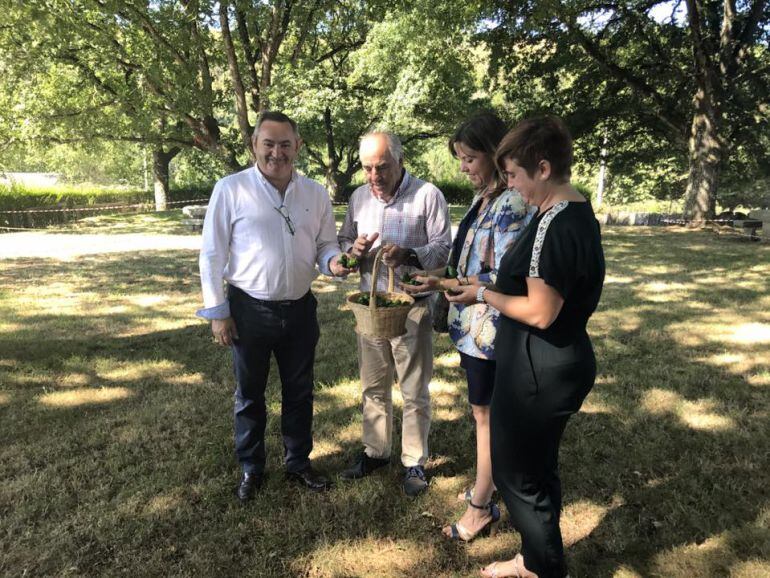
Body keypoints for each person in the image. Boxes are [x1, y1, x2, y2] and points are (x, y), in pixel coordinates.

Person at [446, 116, 605, 577]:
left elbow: (540, 311)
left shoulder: (553, 224)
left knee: (518, 475)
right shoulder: (572, 209)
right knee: (538, 469)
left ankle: (542, 569)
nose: (510, 184)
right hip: (551, 363)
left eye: (513, 174)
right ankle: (536, 558)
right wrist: (473, 281)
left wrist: (483, 295)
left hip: (541, 370)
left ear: (542, 167)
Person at [197, 111, 352, 502]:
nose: (277, 153)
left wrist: (336, 263)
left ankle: (298, 462)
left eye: (285, 144)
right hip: (249, 310)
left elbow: (325, 246)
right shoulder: (231, 189)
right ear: (254, 146)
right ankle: (252, 467)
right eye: (269, 144)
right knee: (250, 395)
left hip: (300, 309)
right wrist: (218, 311)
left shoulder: (315, 193)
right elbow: (212, 254)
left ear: (298, 146)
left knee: (299, 392)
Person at [402, 112, 532, 539]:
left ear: (496, 154)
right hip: (476, 330)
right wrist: (439, 278)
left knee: (486, 414)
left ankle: (481, 505)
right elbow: (474, 263)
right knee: (483, 411)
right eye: (459, 158)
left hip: (493, 331)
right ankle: (488, 483)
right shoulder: (486, 198)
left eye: (469, 157)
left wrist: (453, 284)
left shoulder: (511, 202)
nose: (463, 167)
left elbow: (510, 276)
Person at [337, 132, 452, 496]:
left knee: (414, 388)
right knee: (373, 386)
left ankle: (414, 461)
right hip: (371, 310)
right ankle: (375, 451)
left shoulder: (427, 195)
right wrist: (353, 249)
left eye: (382, 167)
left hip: (412, 308)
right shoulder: (358, 198)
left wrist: (409, 254)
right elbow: (343, 243)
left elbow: (443, 248)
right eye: (368, 168)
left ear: (399, 161)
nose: (374, 176)